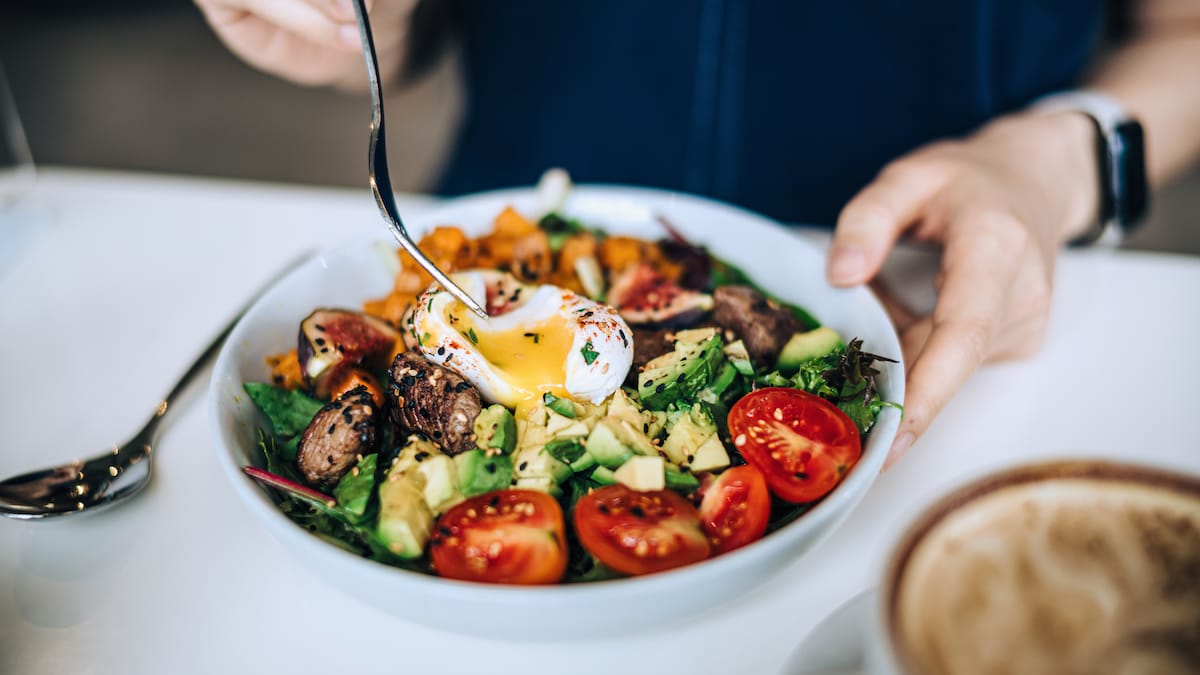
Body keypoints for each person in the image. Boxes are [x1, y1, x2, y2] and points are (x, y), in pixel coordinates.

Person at [195, 0, 1200, 466]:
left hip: (947, 324)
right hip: (484, 249)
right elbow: (418, 28)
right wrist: (350, 25)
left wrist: (1061, 160)